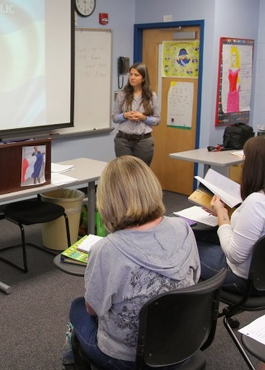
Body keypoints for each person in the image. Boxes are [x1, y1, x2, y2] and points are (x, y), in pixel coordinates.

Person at [68, 156, 200, 369]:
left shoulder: (107, 249)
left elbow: (93, 310)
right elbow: (194, 279)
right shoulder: (182, 228)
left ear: (108, 200)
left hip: (128, 358)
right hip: (182, 344)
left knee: (78, 307)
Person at [197, 135, 265, 294]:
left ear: (254, 166)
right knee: (200, 234)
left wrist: (222, 214)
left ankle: (195, 307)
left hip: (245, 280)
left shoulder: (258, 202)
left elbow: (235, 256)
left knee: (186, 246)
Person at [112, 62, 160, 166]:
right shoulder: (122, 94)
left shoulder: (151, 95)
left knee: (141, 174)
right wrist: (125, 115)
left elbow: (157, 120)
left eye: (136, 75)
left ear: (143, 78)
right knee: (125, 174)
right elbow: (114, 118)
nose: (132, 77)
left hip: (143, 142)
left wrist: (143, 117)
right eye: (131, 74)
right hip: (123, 141)